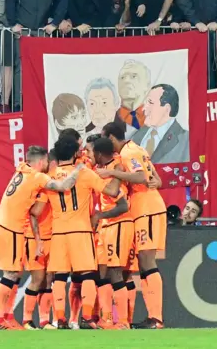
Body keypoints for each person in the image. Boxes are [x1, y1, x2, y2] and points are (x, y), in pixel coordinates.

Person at [32, 135, 121, 330]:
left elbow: (36, 211)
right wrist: (118, 173)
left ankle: (60, 320)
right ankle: (88, 318)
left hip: (58, 233)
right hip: (81, 231)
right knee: (88, 274)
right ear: (75, 153)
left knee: (60, 277)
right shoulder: (85, 173)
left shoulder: (50, 177)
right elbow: (112, 192)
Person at [0, 145, 84, 330]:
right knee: (10, 274)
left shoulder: (21, 170)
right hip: (11, 229)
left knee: (16, 274)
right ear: (41, 162)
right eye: (46, 162)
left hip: (5, 226)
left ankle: (8, 318)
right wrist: (80, 168)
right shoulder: (37, 176)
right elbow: (64, 185)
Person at [99, 122, 167, 329]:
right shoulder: (138, 149)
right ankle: (148, 317)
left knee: (147, 262)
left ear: (111, 138)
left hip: (147, 209)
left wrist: (113, 174)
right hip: (144, 209)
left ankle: (155, 318)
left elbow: (141, 177)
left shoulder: (129, 153)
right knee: (141, 264)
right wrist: (155, 182)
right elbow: (156, 179)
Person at [90, 137, 133, 329]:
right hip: (106, 226)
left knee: (116, 272)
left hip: (118, 224)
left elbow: (123, 205)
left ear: (99, 154)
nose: (89, 156)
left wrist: (101, 215)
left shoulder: (115, 169)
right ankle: (106, 319)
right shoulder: (105, 170)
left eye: (91, 153)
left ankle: (123, 321)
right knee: (103, 273)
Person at [22, 149, 59, 330]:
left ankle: (45, 321)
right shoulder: (41, 184)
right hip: (35, 238)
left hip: (51, 236)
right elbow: (34, 213)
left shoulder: (50, 183)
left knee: (48, 279)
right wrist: (38, 241)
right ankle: (27, 320)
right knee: (37, 278)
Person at [131, 84, 190, 164]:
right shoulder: (137, 135)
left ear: (167, 109)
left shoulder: (185, 140)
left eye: (150, 102)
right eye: (145, 103)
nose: (144, 108)